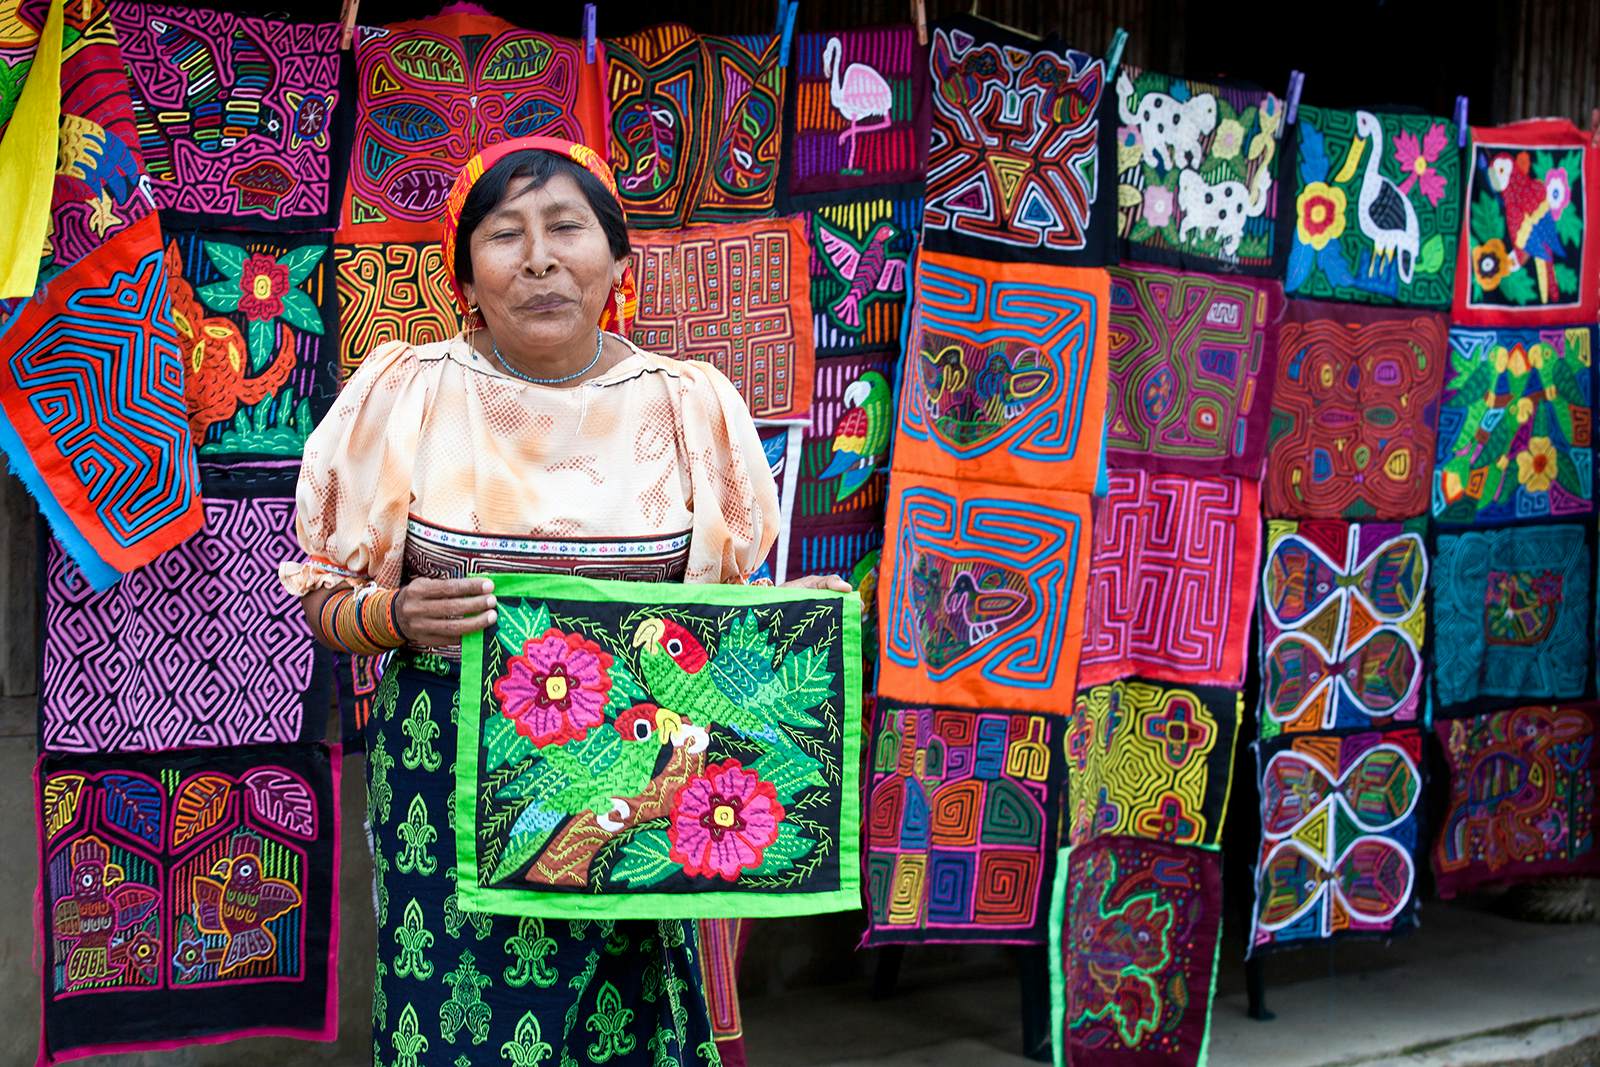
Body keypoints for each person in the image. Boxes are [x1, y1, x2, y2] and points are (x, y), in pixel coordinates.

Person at [280, 135, 844, 1065]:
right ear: (466, 277)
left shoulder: (686, 406)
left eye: (566, 228)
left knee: (630, 1030)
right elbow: (325, 594)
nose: (539, 258)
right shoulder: (408, 396)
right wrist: (394, 616)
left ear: (619, 262)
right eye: (505, 234)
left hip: (635, 787)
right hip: (448, 791)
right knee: (462, 1036)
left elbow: (713, 618)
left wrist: (788, 617)